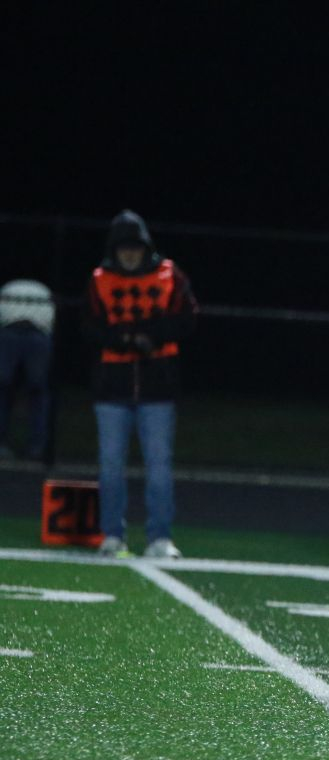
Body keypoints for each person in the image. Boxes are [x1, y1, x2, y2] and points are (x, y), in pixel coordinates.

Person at [82, 211, 197, 558]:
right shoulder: (100, 279)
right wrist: (126, 339)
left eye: (134, 247)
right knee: (110, 466)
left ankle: (160, 538)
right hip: (112, 387)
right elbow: (89, 326)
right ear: (114, 249)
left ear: (145, 247)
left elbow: (187, 318)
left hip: (157, 386)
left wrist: (151, 337)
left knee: (159, 466)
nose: (129, 254)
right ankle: (112, 536)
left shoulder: (169, 275)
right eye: (123, 247)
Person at [0, 279, 55, 461]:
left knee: (37, 391)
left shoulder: (16, 288)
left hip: (32, 332)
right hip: (18, 332)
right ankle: (35, 446)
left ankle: (37, 445)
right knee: (6, 388)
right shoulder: (17, 288)